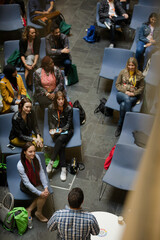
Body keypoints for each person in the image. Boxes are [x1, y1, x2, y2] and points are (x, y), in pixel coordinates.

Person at [17, 142, 50, 222]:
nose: (33, 154)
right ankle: (38, 213)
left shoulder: (36, 157)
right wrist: (39, 193)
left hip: (36, 181)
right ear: (24, 152)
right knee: (43, 196)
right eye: (30, 152)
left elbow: (41, 172)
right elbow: (27, 183)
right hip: (26, 186)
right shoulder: (20, 165)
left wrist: (45, 186)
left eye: (34, 151)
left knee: (45, 193)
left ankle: (29, 209)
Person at [46, 91, 73, 181]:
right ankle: (63, 168)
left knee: (61, 139)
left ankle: (51, 161)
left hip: (67, 131)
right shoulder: (51, 107)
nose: (61, 101)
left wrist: (62, 130)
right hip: (56, 131)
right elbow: (50, 121)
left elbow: (69, 124)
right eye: (59, 99)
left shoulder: (69, 108)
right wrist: (53, 129)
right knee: (61, 145)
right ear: (56, 100)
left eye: (62, 99)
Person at [115, 57, 144, 137]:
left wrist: (134, 94)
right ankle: (130, 123)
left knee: (123, 105)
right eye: (129, 65)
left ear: (136, 66)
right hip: (121, 94)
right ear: (127, 65)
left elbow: (141, 88)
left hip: (132, 97)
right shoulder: (122, 72)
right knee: (126, 99)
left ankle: (119, 125)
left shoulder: (139, 75)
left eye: (132, 65)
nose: (131, 67)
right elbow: (117, 85)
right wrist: (126, 91)